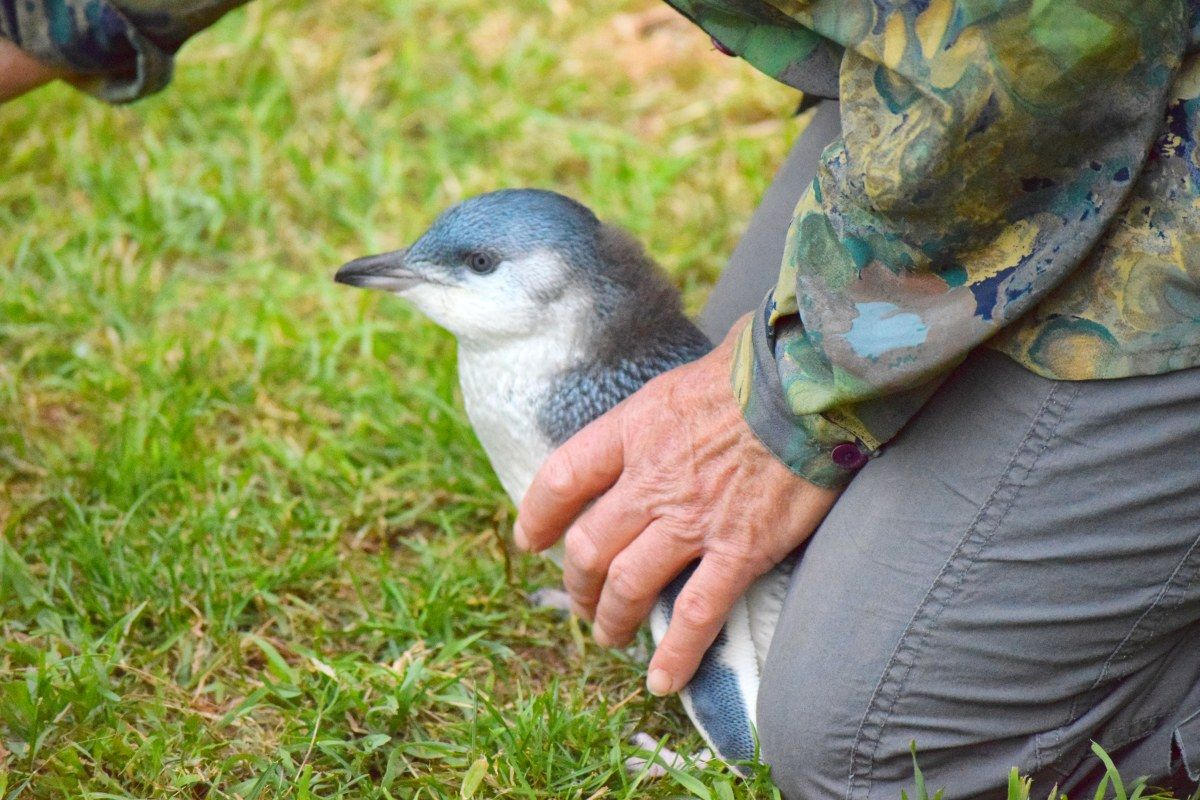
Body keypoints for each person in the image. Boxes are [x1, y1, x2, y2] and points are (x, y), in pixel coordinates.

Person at [5, 3, 1200, 798]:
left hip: (1080, 80)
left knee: (865, 733)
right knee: (754, 451)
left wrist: (787, 401)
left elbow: (1038, 50)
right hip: (951, 80)